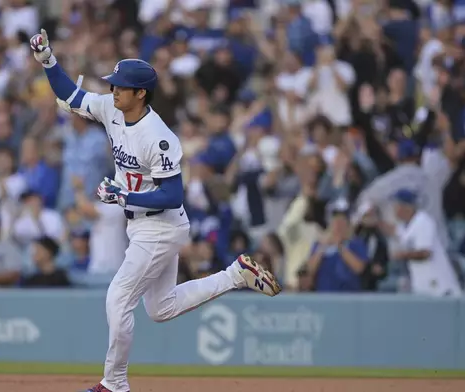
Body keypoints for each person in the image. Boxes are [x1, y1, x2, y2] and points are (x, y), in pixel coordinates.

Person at [29, 29, 282, 392]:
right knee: (160, 309)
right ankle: (235, 276)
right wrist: (48, 61)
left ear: (140, 93)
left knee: (118, 298)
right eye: (113, 84)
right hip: (143, 225)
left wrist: (123, 197)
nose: (113, 90)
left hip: (160, 225)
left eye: (120, 86)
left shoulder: (159, 136)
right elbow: (71, 95)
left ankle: (113, 384)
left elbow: (173, 195)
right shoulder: (111, 110)